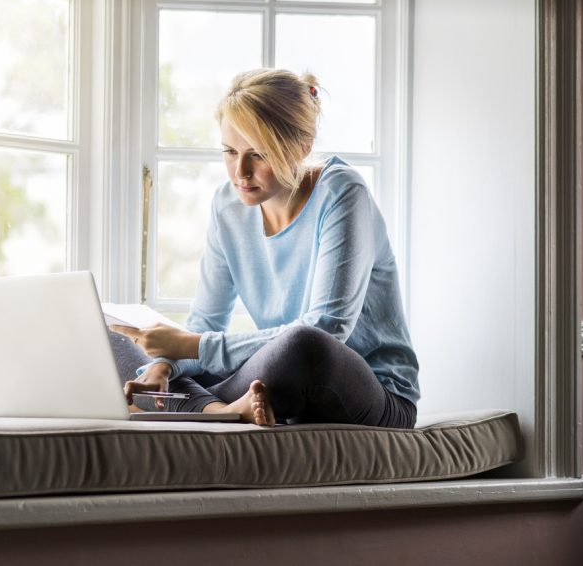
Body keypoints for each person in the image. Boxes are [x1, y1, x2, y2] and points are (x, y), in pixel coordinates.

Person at [109, 68, 419, 428]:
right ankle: (221, 411)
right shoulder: (228, 205)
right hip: (267, 385)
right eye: (229, 151)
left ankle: (190, 404)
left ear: (302, 147)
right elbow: (207, 322)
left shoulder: (343, 193)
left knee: (305, 344)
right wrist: (163, 365)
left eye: (258, 154)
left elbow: (327, 328)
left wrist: (189, 348)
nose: (240, 171)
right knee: (114, 340)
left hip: (365, 389)